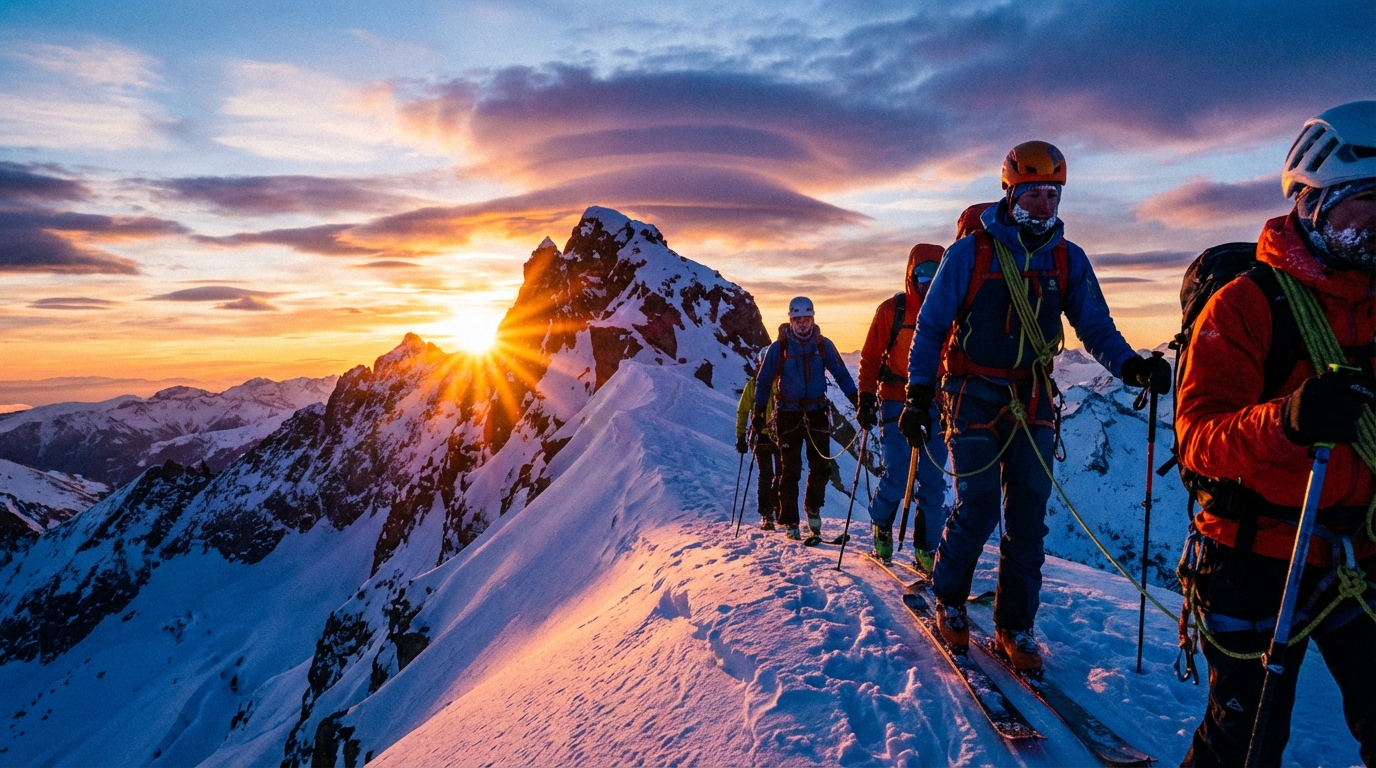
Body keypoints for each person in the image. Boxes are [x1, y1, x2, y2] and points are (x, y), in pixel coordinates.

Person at [899, 140, 1169, 671]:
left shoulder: (1067, 259)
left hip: (1034, 397)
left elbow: (1095, 326)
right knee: (977, 506)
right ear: (1009, 194)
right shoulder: (970, 253)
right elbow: (930, 328)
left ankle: (1014, 624)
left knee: (1027, 515)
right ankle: (949, 598)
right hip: (973, 392)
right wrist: (917, 393)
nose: (1043, 206)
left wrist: (1131, 366)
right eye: (1031, 195)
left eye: (1052, 195)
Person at [1175, 101, 1376, 767]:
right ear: (1314, 202)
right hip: (1252, 554)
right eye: (1367, 203)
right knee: (1246, 741)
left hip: (1358, 548)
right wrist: (1289, 421)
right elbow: (1199, 439)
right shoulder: (1248, 304)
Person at [857, 244, 950, 565]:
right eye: (922, 274)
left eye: (935, 274)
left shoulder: (951, 312)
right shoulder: (891, 311)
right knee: (897, 474)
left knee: (933, 480)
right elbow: (870, 359)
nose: (928, 281)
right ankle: (881, 524)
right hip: (895, 399)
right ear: (911, 276)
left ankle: (926, 550)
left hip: (938, 404)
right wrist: (866, 398)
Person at [754, 297, 859, 540]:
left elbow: (841, 373)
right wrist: (759, 413)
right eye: (798, 320)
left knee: (820, 465)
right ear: (791, 320)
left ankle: (813, 508)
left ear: (813, 318)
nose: (803, 324)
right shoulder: (778, 348)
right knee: (790, 469)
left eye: (807, 319)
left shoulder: (823, 345)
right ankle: (790, 519)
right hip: (788, 413)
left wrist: (857, 400)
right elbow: (763, 381)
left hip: (816, 411)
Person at [736, 347, 781, 530]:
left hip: (766, 435)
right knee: (775, 474)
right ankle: (773, 511)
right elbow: (743, 410)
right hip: (771, 435)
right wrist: (740, 436)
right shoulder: (780, 383)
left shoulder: (754, 384)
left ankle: (769, 513)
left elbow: (743, 411)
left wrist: (740, 436)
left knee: (771, 475)